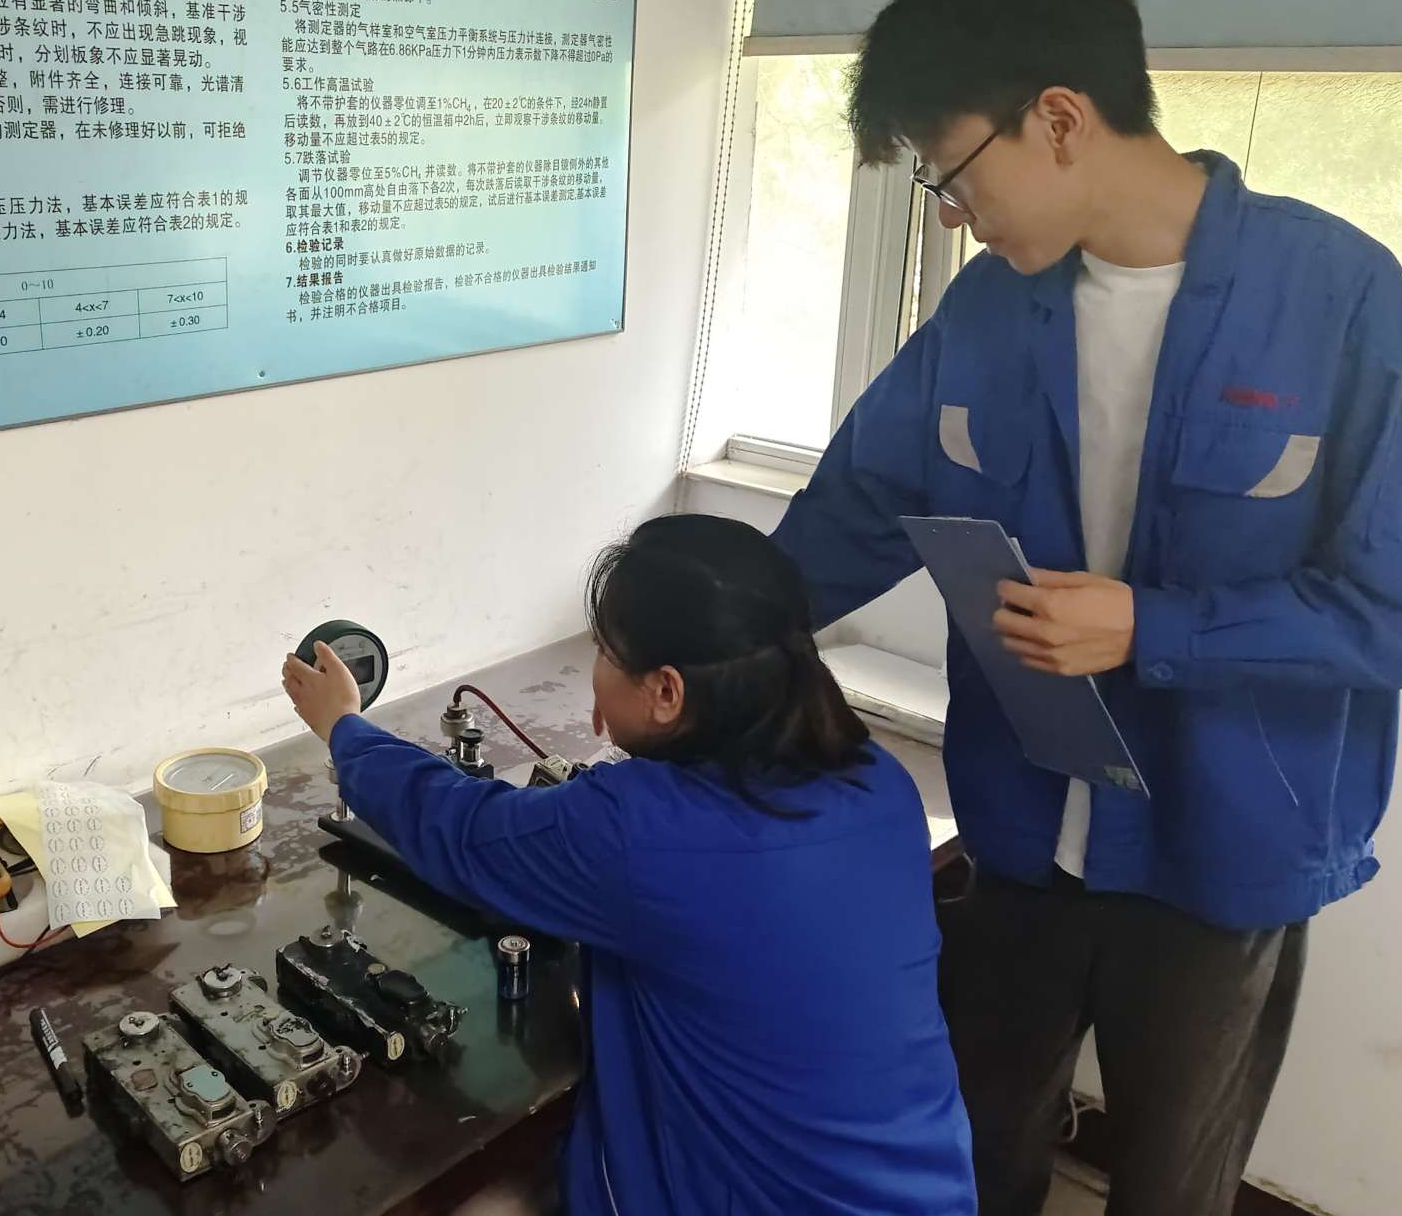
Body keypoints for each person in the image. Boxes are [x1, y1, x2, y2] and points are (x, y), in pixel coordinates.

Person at [770, 0, 1402, 1216]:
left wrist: (1154, 627)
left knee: (1167, 1185)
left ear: (1057, 119)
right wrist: (701, 625)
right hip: (1018, 831)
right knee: (968, 1153)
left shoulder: (1338, 296)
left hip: (1221, 856)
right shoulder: (988, 311)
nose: (951, 213)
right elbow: (857, 507)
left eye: (950, 172)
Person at [282, 514, 975, 1216]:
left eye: (603, 651)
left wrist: (345, 728)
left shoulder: (646, 834)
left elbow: (462, 829)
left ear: (667, 691)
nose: (594, 670)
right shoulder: (880, 782)